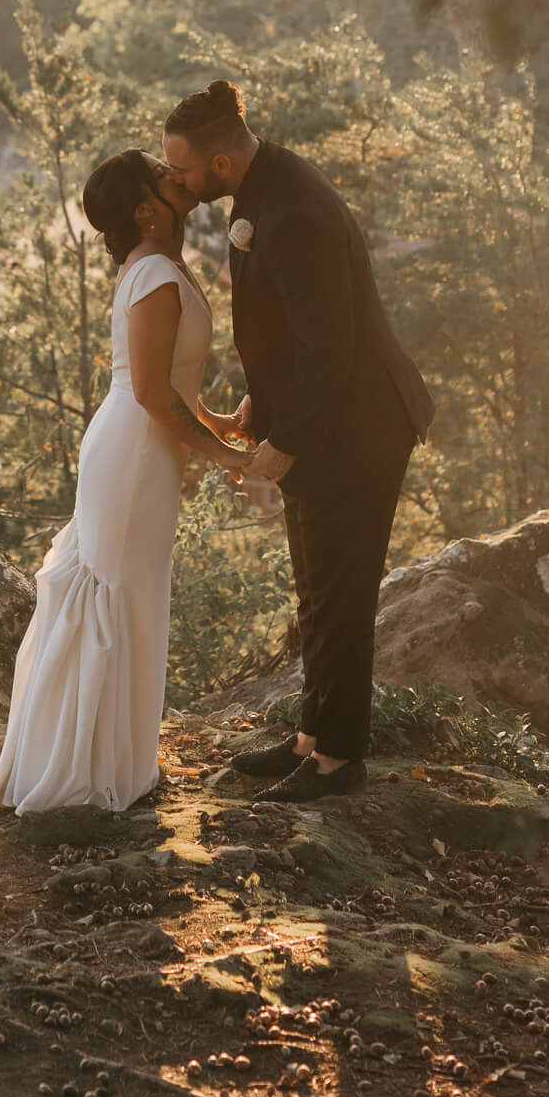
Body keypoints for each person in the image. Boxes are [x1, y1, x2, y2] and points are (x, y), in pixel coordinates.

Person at [162, 79, 434, 801]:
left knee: (341, 595)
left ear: (220, 163)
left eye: (183, 170)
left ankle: (340, 759)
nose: (178, 182)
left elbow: (329, 349)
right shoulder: (262, 190)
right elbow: (291, 331)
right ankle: (313, 735)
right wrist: (261, 399)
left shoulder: (296, 212)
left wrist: (281, 444)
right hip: (326, 418)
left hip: (358, 427)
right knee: (316, 592)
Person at [0, 150, 244, 815]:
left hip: (139, 444)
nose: (177, 173)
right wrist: (228, 458)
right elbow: (150, 391)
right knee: (117, 598)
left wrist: (219, 422)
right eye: (163, 171)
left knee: (131, 597)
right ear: (145, 209)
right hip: (133, 454)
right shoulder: (154, 272)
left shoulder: (158, 266)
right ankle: (88, 775)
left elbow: (165, 381)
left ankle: (117, 763)